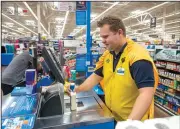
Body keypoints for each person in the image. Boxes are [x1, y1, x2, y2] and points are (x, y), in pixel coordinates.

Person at [74, 16, 159, 121]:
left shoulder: (138, 57)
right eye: (102, 37)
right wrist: (76, 91)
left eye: (106, 37)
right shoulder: (108, 54)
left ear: (120, 32)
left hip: (133, 122)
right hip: (113, 116)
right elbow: (95, 77)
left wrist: (129, 124)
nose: (103, 41)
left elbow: (146, 93)